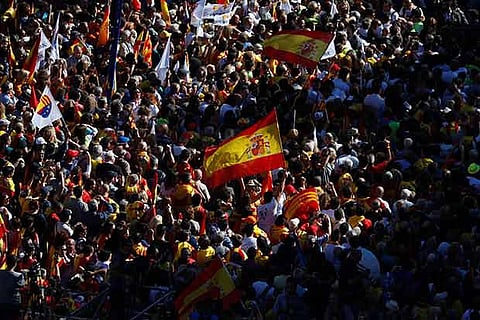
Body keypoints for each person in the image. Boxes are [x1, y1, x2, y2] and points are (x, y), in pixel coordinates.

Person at [0, 254, 25, 320]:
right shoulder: (18, 276)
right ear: (15, 264)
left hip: (1, 302)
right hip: (13, 304)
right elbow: (22, 286)